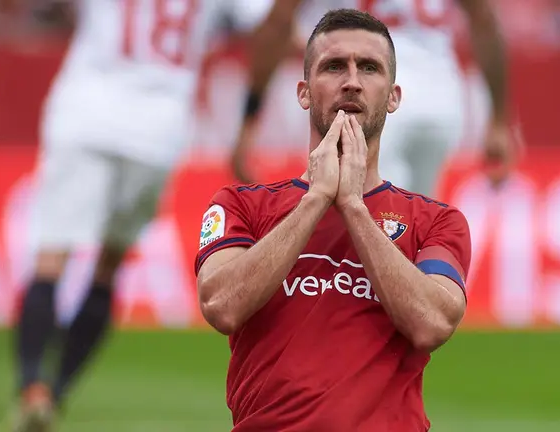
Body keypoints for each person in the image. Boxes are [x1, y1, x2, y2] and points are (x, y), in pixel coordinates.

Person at [5, 0, 293, 430]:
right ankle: (57, 391)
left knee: (51, 258)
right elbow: (272, 24)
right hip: (157, 130)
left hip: (85, 112)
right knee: (108, 267)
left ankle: (32, 388)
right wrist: (251, 110)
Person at [195, 9, 471, 431]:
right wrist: (316, 199)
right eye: (334, 66)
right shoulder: (241, 205)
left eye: (370, 68)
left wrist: (354, 207)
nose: (352, 81)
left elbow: (432, 323)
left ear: (393, 96)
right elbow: (220, 307)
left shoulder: (436, 221)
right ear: (304, 92)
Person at [231, 0, 517, 198]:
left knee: (363, 229)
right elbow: (485, 22)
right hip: (442, 101)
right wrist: (499, 118)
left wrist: (251, 115)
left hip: (374, 89)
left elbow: (277, 23)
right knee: (414, 232)